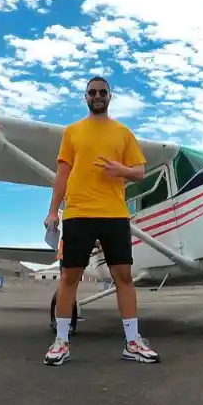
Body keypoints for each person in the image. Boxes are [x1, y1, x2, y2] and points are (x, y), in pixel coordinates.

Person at [42, 76, 160, 366]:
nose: (97, 96)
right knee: (69, 277)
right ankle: (61, 342)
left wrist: (122, 169)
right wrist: (52, 211)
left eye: (102, 92)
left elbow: (140, 172)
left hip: (114, 214)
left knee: (124, 278)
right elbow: (62, 175)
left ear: (110, 96)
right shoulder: (72, 132)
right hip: (78, 213)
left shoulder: (123, 133)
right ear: (85, 97)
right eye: (92, 92)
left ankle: (132, 341)